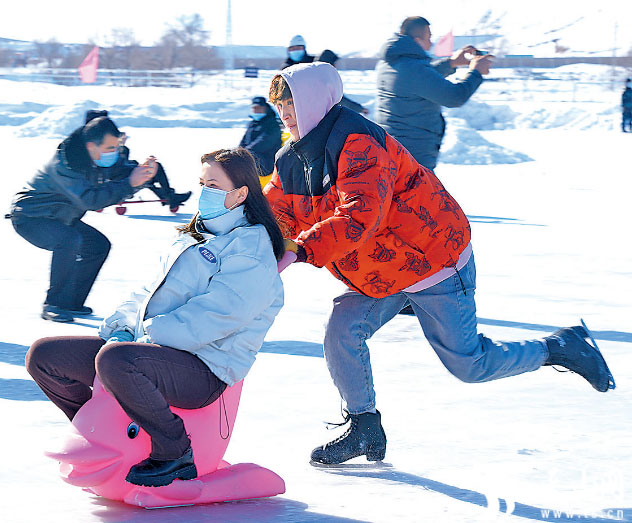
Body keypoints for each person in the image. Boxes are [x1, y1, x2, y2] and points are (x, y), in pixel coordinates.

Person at [263, 62, 615, 465]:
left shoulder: (358, 143)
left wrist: (301, 249)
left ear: (314, 100)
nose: (284, 113)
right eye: (279, 104)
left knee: (471, 364)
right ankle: (364, 426)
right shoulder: (292, 157)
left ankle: (560, 346)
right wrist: (227, 229)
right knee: (341, 331)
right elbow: (276, 211)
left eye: (290, 102)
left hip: (432, 261)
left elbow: (361, 215)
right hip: (383, 271)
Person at [26, 147, 285, 487]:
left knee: (118, 361)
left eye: (214, 185)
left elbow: (218, 315)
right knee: (45, 357)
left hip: (205, 368)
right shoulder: (196, 234)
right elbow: (150, 291)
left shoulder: (250, 248)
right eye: (202, 182)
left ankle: (175, 452)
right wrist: (120, 327)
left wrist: (148, 337)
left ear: (240, 194)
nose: (204, 192)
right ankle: (99, 434)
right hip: (154, 351)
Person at [9, 116, 158, 323]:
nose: (113, 152)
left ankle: (70, 302)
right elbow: (90, 200)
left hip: (61, 216)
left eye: (116, 146)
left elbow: (119, 173)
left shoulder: (94, 158)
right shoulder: (66, 164)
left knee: (97, 245)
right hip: (31, 217)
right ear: (91, 146)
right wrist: (130, 183)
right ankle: (53, 304)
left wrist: (142, 173)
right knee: (69, 240)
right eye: (109, 147)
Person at [374, 16, 492, 171]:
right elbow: (455, 97)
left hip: (395, 147)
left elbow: (419, 81)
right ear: (417, 41)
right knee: (419, 194)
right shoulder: (414, 68)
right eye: (429, 38)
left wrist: (451, 63)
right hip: (413, 153)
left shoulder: (391, 62)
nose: (431, 44)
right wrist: (476, 72)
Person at [84, 110, 191, 210]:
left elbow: (121, 160)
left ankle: (168, 196)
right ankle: (169, 197)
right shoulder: (96, 143)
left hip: (121, 173)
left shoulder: (98, 139)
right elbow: (111, 166)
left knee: (150, 170)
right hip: (119, 179)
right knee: (154, 169)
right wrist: (120, 147)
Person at [315, 49, 369, 116]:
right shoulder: (323, 79)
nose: (336, 66)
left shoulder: (313, 75)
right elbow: (338, 100)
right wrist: (360, 109)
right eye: (334, 64)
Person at [239, 96, 282, 178]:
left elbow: (264, 141)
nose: (256, 111)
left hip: (267, 160)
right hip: (252, 155)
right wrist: (238, 151)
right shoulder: (253, 123)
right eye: (254, 108)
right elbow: (244, 140)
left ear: (265, 108)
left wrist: (246, 152)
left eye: (259, 108)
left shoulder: (272, 124)